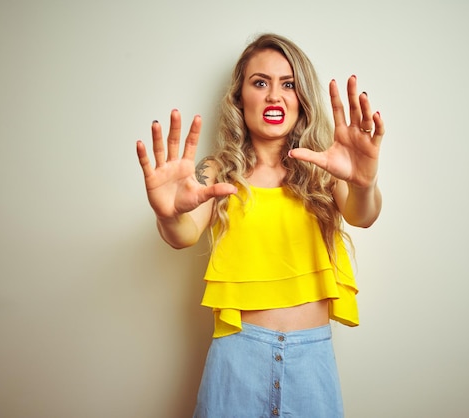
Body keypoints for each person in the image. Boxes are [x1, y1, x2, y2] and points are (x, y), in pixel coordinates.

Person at [136, 33, 384, 418]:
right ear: (240, 98)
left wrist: (364, 183)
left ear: (301, 98)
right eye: (260, 82)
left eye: (288, 84)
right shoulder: (217, 171)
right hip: (237, 360)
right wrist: (168, 214)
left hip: (311, 360)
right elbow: (183, 235)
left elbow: (362, 214)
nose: (274, 96)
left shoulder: (324, 166)